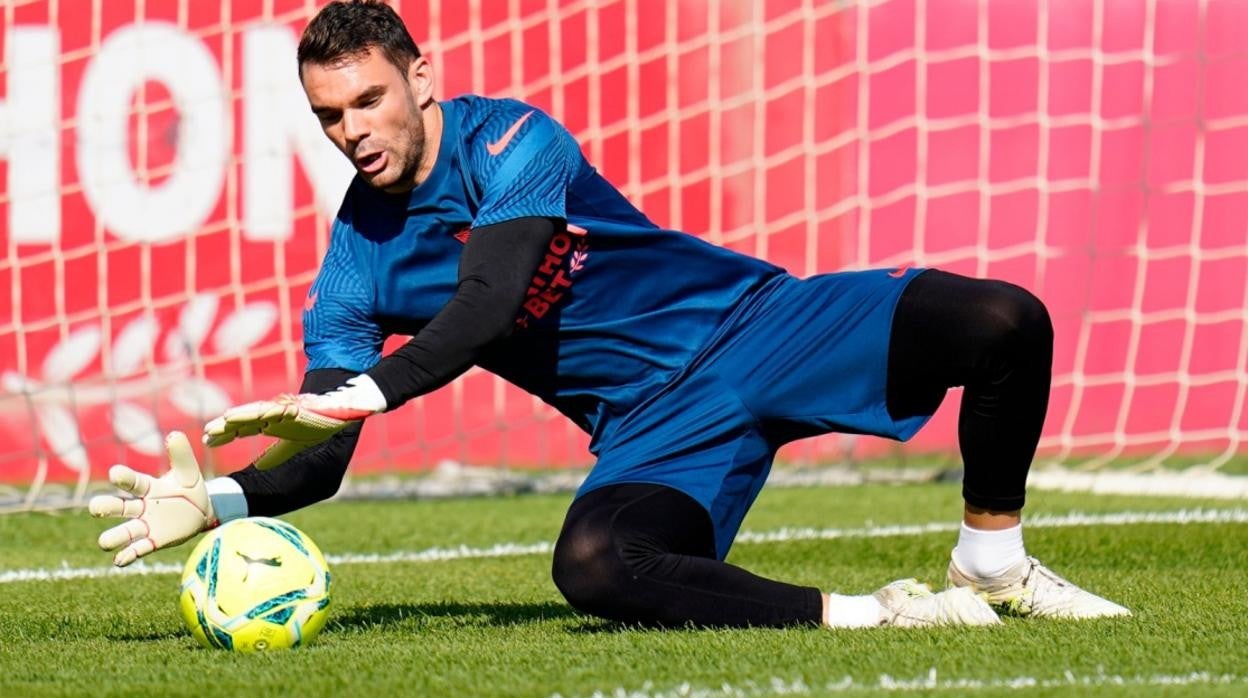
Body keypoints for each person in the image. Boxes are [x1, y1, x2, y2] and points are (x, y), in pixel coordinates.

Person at [89, 0, 1129, 629]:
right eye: (328, 116)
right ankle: (876, 609)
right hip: (651, 428)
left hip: (755, 324)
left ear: (420, 76)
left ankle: (993, 563)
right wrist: (225, 501)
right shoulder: (355, 261)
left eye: (367, 101)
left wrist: (368, 388)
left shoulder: (513, 142)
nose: (351, 131)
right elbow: (321, 449)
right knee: (592, 565)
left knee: (1003, 320)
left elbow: (490, 302)